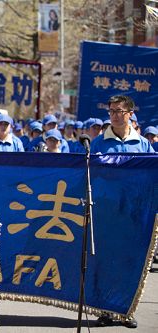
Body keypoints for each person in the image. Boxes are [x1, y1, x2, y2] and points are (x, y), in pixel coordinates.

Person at [93, 95, 154, 329]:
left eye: (119, 111)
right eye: (111, 111)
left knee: (130, 262)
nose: (114, 115)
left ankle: (127, 311)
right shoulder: (99, 143)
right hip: (106, 211)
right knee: (105, 261)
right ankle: (105, 310)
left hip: (133, 213)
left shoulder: (141, 144)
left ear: (130, 113)